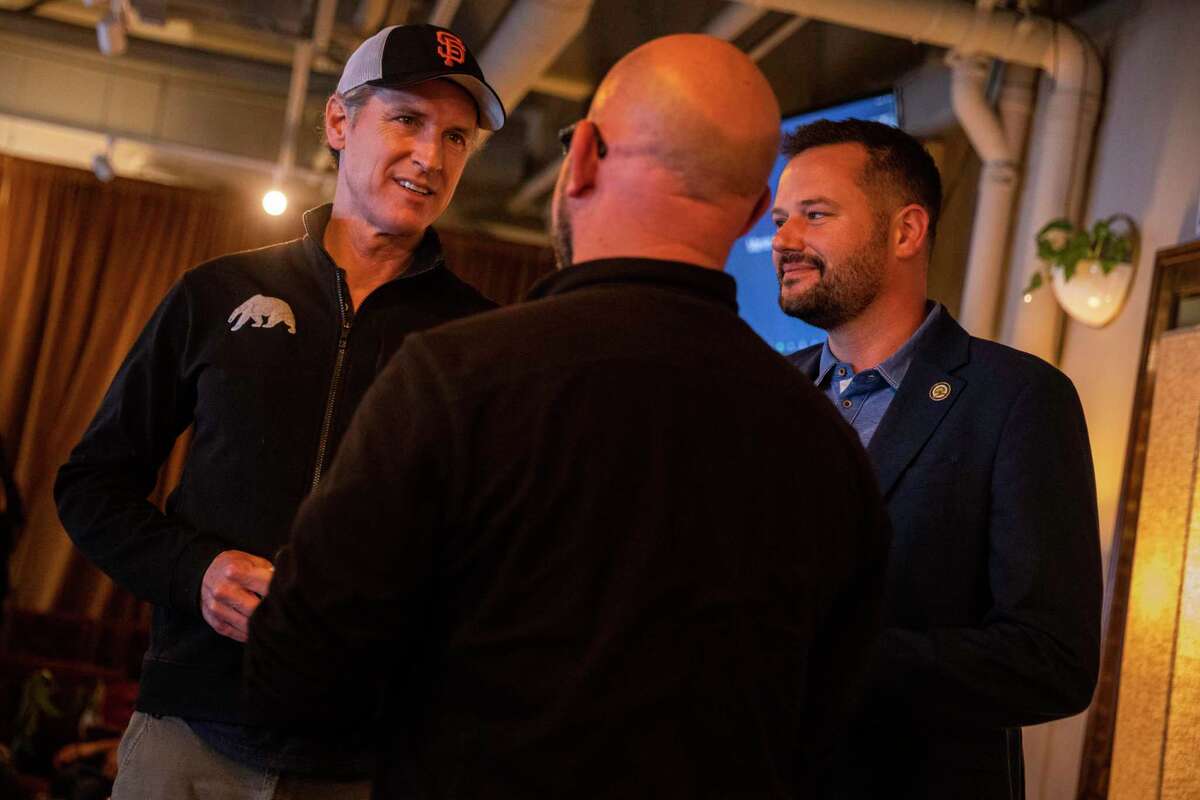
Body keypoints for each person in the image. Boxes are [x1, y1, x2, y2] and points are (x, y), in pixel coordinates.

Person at [244, 34, 890, 798]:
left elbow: (296, 673)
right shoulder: (830, 448)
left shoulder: (454, 379)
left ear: (580, 158)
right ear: (755, 208)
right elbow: (829, 726)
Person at [54, 23, 505, 799]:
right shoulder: (216, 294)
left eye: (456, 136)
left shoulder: (481, 340)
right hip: (187, 745)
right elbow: (91, 485)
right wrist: (194, 571)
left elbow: (493, 553)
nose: (431, 158)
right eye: (407, 120)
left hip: (362, 765)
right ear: (339, 122)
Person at [772, 118, 1102, 800]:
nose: (783, 241)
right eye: (780, 219)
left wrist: (825, 660)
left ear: (906, 231)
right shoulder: (765, 390)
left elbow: (1052, 661)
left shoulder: (1018, 399)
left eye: (815, 215)